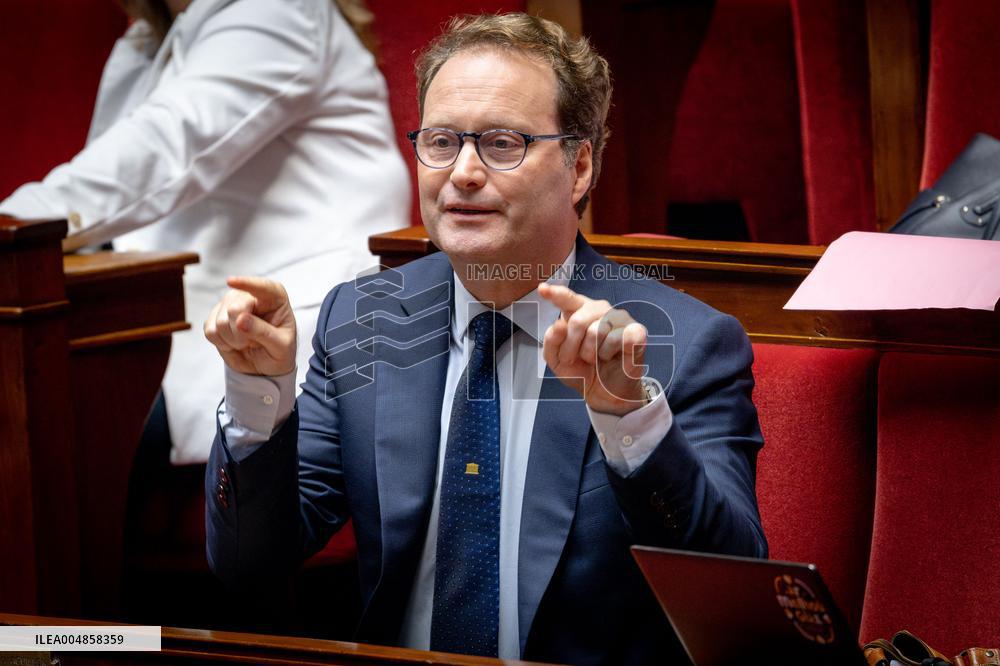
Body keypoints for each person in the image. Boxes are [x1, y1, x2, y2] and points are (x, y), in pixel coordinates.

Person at [203, 12, 767, 664]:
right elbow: (249, 564)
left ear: (579, 167)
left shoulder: (684, 345)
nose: (463, 172)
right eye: (441, 142)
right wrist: (257, 395)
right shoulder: (362, 319)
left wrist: (628, 416)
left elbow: (732, 603)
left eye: (502, 143)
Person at [0, 0, 410, 464]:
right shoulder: (154, 38)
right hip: (179, 317)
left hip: (288, 327)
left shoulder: (279, 10)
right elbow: (109, 202)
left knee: (39, 425)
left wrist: (8, 229)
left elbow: (155, 154)